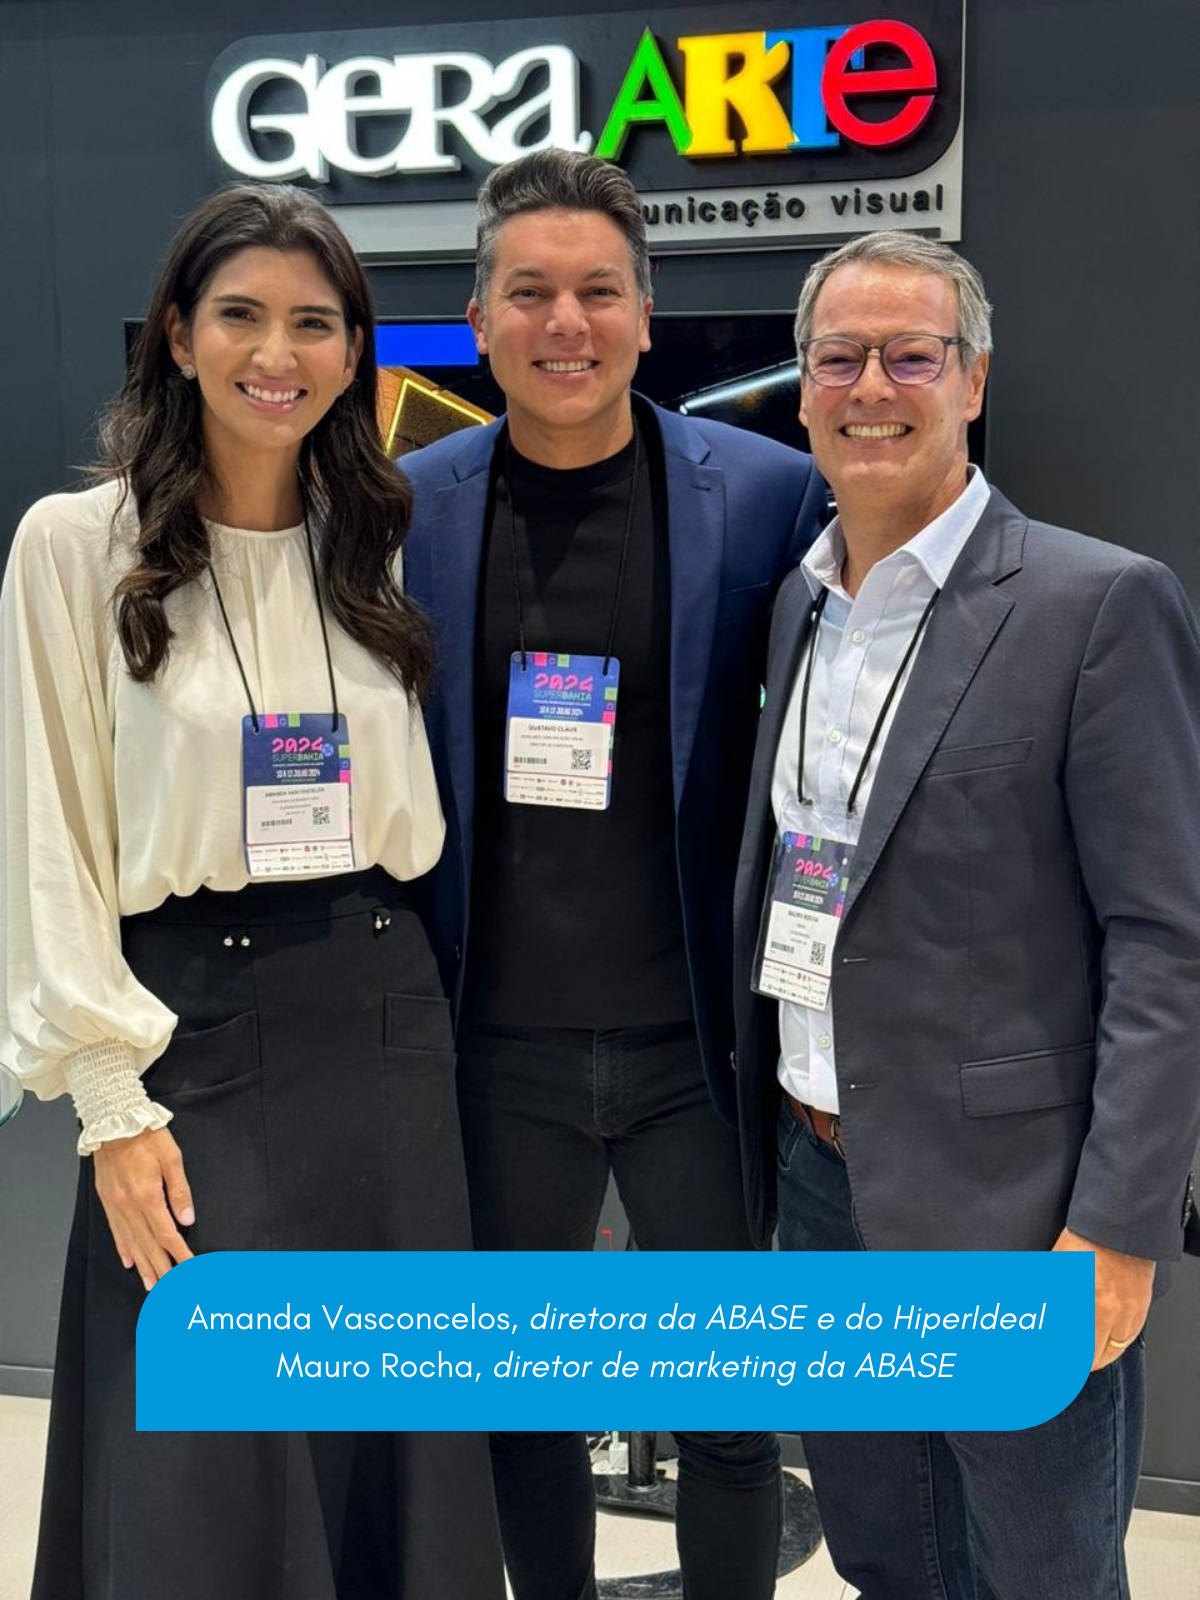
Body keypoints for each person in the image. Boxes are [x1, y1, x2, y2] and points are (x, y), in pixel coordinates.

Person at [0, 184, 505, 1600]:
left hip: (385, 1010)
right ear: (177, 336)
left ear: (354, 351)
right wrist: (110, 1102)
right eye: (240, 316)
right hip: (190, 1025)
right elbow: (48, 832)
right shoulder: (77, 546)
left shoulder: (383, 537)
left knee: (393, 1426)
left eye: (313, 323)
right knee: (208, 1456)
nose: (276, 354)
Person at [732, 229, 1200, 1598]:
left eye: (911, 355)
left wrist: (1116, 1227)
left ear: (974, 380)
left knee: (1042, 1571)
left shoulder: (1095, 603)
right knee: (886, 1557)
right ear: (804, 389)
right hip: (821, 1181)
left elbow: (1167, 942)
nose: (872, 387)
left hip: (1014, 1209)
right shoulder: (798, 606)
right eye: (840, 358)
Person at [400, 147, 826, 1600]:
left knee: (728, 1413)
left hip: (695, 1049)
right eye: (530, 292)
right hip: (495, 1049)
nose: (564, 322)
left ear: (647, 313)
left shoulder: (767, 494)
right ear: (479, 317)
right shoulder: (405, 507)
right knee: (522, 1407)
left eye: (597, 290)